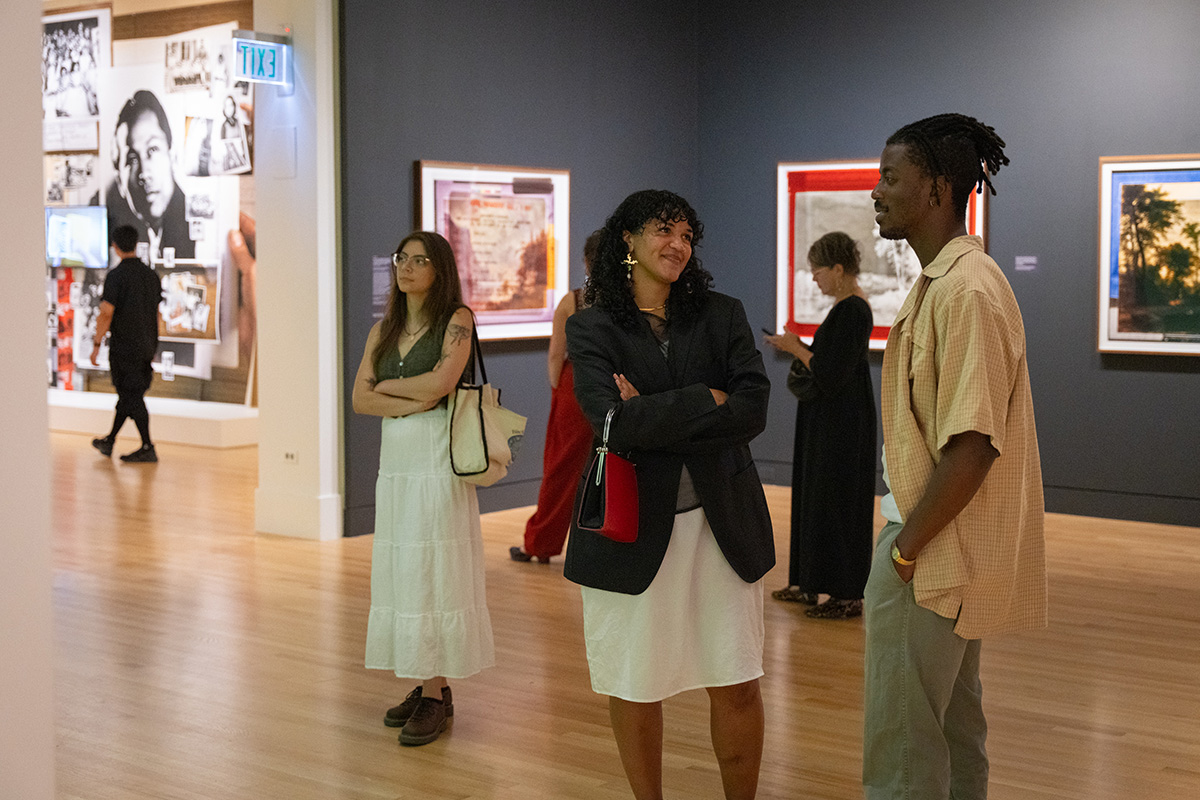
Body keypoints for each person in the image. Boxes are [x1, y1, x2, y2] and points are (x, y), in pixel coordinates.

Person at [565, 190, 774, 800]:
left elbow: (753, 409)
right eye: (664, 230)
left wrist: (649, 411)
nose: (678, 244)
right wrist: (705, 398)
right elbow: (609, 422)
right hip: (631, 530)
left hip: (721, 525)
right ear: (627, 239)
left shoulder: (722, 314)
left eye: (687, 235)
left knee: (737, 680)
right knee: (634, 684)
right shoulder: (591, 326)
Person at [863, 113, 1046, 799]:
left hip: (934, 552)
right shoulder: (952, 282)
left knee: (904, 748)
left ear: (937, 188)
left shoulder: (965, 289)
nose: (876, 191)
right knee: (951, 729)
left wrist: (906, 551)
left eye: (890, 177)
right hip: (948, 548)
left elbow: (973, 445)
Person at [351, 230, 494, 747]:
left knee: (435, 569)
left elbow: (441, 384)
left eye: (419, 260)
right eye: (401, 259)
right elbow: (360, 400)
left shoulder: (457, 320)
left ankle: (435, 693)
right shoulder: (382, 329)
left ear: (439, 270)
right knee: (407, 570)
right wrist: (411, 398)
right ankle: (428, 682)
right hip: (397, 466)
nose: (406, 268)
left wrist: (388, 388)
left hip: (437, 464)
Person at [763, 231, 876, 619]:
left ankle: (846, 595)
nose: (813, 278)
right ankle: (809, 584)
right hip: (830, 420)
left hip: (841, 424)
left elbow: (829, 372)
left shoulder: (853, 310)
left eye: (818, 270)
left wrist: (795, 348)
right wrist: (797, 347)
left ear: (839, 269)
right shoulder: (847, 309)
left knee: (837, 503)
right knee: (817, 498)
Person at [510, 229, 603, 564]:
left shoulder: (573, 301)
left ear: (586, 262)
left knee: (561, 468)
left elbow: (555, 356)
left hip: (575, 384)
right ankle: (608, 541)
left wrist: (559, 389)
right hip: (616, 383)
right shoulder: (632, 300)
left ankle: (541, 542)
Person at [91, 224, 163, 463]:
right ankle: (110, 441)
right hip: (146, 345)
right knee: (129, 395)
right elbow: (156, 313)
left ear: (115, 246)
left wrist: (96, 344)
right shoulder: (150, 275)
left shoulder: (116, 276)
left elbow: (106, 313)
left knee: (131, 396)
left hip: (125, 347)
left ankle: (147, 446)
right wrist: (153, 343)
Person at [98, 90, 195, 261]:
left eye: (153, 149)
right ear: (119, 179)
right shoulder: (112, 228)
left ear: (172, 155)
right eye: (132, 158)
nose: (144, 173)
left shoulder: (195, 231)